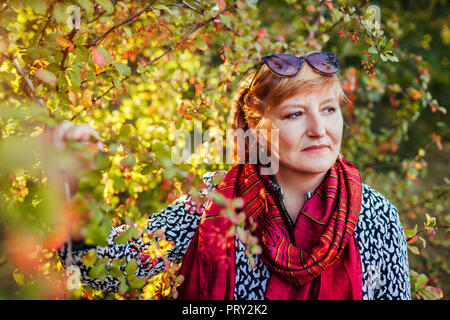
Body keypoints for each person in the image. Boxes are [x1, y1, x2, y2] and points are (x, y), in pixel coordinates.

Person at [57, 52, 411, 300]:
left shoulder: (376, 216)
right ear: (258, 130)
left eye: (329, 109)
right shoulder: (215, 201)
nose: (319, 129)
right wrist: (74, 184)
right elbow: (105, 269)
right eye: (294, 115)